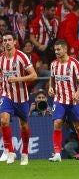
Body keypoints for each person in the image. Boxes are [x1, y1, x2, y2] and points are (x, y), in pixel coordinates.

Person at [0, 31, 37, 165]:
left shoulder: (22, 57)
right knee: (3, 120)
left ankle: (25, 153)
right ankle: (9, 151)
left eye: (9, 40)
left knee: (24, 125)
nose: (7, 43)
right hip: (7, 95)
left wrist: (17, 79)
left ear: (14, 41)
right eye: (4, 40)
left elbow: (34, 75)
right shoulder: (1, 58)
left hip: (21, 97)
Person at [48, 39, 79, 162]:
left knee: (78, 128)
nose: (56, 51)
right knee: (57, 123)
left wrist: (78, 92)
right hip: (59, 99)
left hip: (73, 101)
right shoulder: (54, 64)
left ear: (65, 49)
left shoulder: (74, 63)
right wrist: (50, 86)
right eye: (55, 49)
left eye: (59, 49)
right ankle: (57, 154)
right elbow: (52, 78)